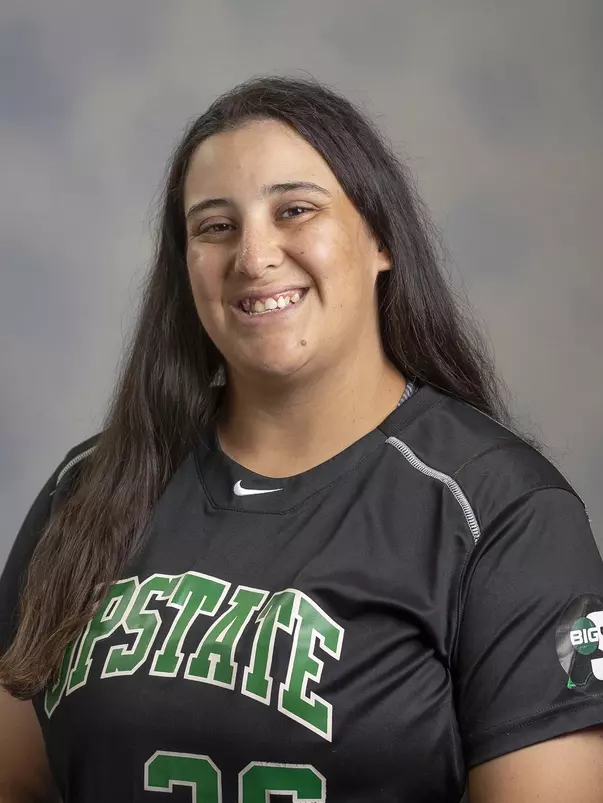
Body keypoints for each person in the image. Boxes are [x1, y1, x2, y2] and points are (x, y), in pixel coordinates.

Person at [1, 75, 602, 803]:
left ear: (381, 238)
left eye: (294, 210)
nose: (253, 257)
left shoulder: (505, 513)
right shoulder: (91, 484)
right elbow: (15, 778)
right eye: (214, 226)